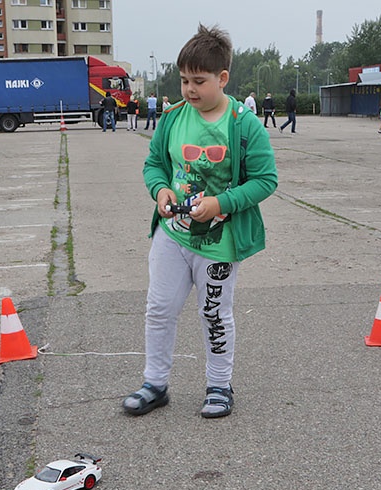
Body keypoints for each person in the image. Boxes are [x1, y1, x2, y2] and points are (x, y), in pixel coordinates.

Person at [124, 24, 278, 419]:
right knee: (158, 309)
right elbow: (155, 163)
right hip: (172, 237)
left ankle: (219, 386)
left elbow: (265, 180)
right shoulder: (174, 119)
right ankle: (155, 384)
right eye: (183, 80)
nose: (189, 90)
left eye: (199, 81)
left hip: (220, 243)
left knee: (213, 315)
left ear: (222, 78)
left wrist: (222, 202)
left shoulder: (245, 125)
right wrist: (160, 191)